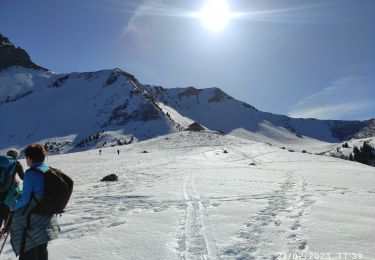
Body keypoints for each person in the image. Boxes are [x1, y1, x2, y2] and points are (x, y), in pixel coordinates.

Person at [8, 144, 59, 260]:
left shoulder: (31, 173)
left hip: (33, 219)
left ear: (29, 158)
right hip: (46, 216)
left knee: (28, 249)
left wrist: (13, 207)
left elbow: (25, 199)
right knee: (42, 248)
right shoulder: (47, 169)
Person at [0, 149, 24, 228]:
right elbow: (23, 176)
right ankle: (6, 229)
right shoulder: (16, 163)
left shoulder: (2, 161)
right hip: (7, 191)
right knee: (6, 209)